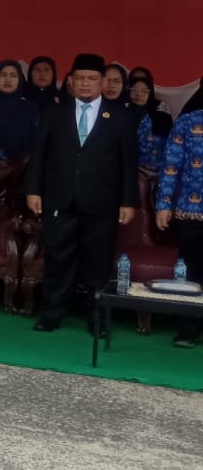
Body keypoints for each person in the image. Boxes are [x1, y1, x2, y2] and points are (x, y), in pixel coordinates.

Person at [24, 53, 139, 333]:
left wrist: (128, 201)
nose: (86, 84)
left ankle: (97, 317)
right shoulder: (54, 113)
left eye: (92, 79)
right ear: (71, 82)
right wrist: (33, 190)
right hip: (59, 198)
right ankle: (51, 314)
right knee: (57, 258)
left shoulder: (121, 118)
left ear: (102, 82)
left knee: (98, 262)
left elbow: (128, 163)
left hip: (102, 201)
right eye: (81, 79)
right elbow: (38, 156)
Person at [155, 110, 203, 347]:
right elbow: (170, 166)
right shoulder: (188, 122)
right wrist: (164, 204)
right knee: (189, 271)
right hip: (189, 211)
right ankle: (187, 329)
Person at [0, 60, 40, 164]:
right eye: (3, 75)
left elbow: (36, 142)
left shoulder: (29, 108)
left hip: (21, 170)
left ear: (20, 79)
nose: (8, 79)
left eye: (13, 75)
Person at [127, 73, 172, 176]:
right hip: (130, 169)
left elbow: (169, 142)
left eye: (144, 91)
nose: (139, 94)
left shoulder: (161, 111)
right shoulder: (122, 112)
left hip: (158, 169)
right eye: (134, 90)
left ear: (150, 92)